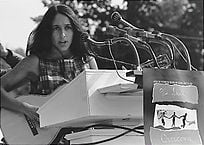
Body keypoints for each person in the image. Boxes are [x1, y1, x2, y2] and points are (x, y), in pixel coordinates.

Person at [0, 4, 98, 144]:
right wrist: (26, 109)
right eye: (56, 28)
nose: (62, 35)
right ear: (48, 31)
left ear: (75, 30)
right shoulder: (35, 62)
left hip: (84, 140)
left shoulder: (88, 61)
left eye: (68, 28)